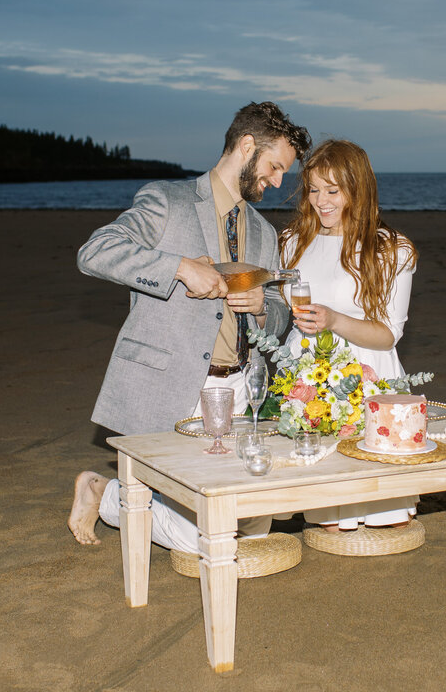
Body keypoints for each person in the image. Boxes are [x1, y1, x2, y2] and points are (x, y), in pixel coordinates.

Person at [68, 101, 311, 549]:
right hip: (175, 385)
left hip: (239, 389)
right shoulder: (167, 200)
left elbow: (279, 312)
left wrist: (262, 305)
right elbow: (96, 251)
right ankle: (106, 493)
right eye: (275, 167)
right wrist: (179, 266)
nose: (278, 182)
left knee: (254, 522)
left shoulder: (263, 232)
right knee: (209, 536)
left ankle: (117, 495)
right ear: (245, 146)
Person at [279, 139, 419, 532]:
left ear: (357, 188)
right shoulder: (292, 243)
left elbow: (388, 335)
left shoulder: (391, 250)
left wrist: (335, 321)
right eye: (313, 189)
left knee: (384, 520)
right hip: (306, 379)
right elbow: (278, 314)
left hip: (367, 374)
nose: (320, 201)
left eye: (333, 190)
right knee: (326, 518)